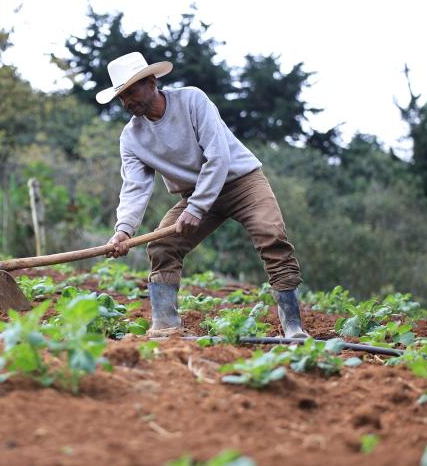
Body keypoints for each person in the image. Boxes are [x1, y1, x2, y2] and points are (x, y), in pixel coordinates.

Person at [97, 51, 309, 339]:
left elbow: (218, 157)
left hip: (241, 182)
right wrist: (123, 230)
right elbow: (135, 187)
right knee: (162, 247)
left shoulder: (192, 100)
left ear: (151, 82)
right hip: (195, 194)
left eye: (131, 92)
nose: (127, 102)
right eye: (122, 97)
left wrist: (196, 208)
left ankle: (293, 327)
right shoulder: (131, 138)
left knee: (270, 234)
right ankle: (165, 326)